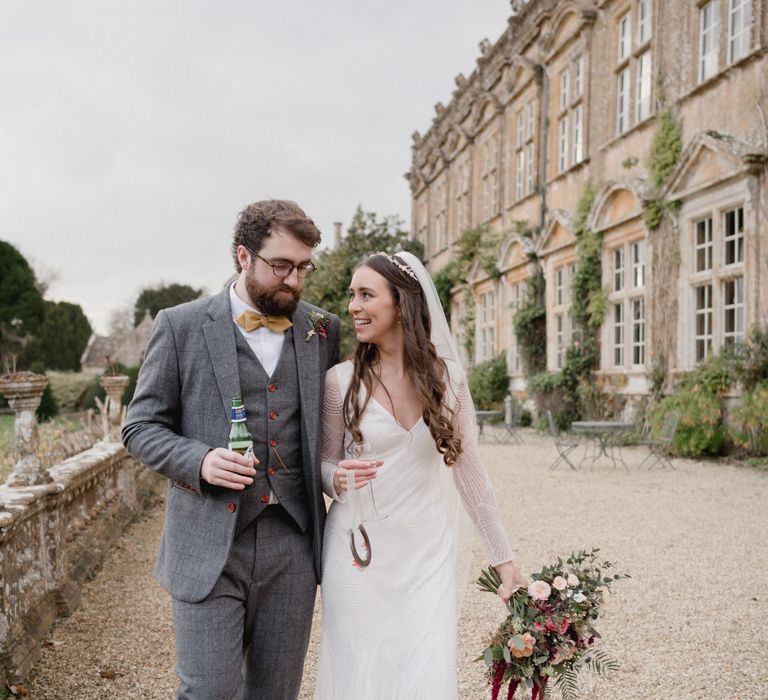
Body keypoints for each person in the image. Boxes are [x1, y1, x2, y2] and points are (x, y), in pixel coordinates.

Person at [122, 199, 341, 700]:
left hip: (294, 543)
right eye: (280, 265)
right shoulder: (180, 325)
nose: (293, 279)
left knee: (275, 693)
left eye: (303, 267)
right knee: (209, 692)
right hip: (208, 543)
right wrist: (198, 460)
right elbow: (140, 427)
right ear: (243, 255)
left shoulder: (323, 330)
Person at [314, 251, 527, 699]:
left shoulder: (449, 381)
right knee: (362, 672)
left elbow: (471, 477)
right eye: (352, 295)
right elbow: (323, 464)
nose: (353, 306)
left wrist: (505, 561)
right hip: (359, 553)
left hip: (427, 552)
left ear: (402, 303)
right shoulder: (340, 380)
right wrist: (336, 478)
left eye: (366, 294)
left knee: (425, 671)